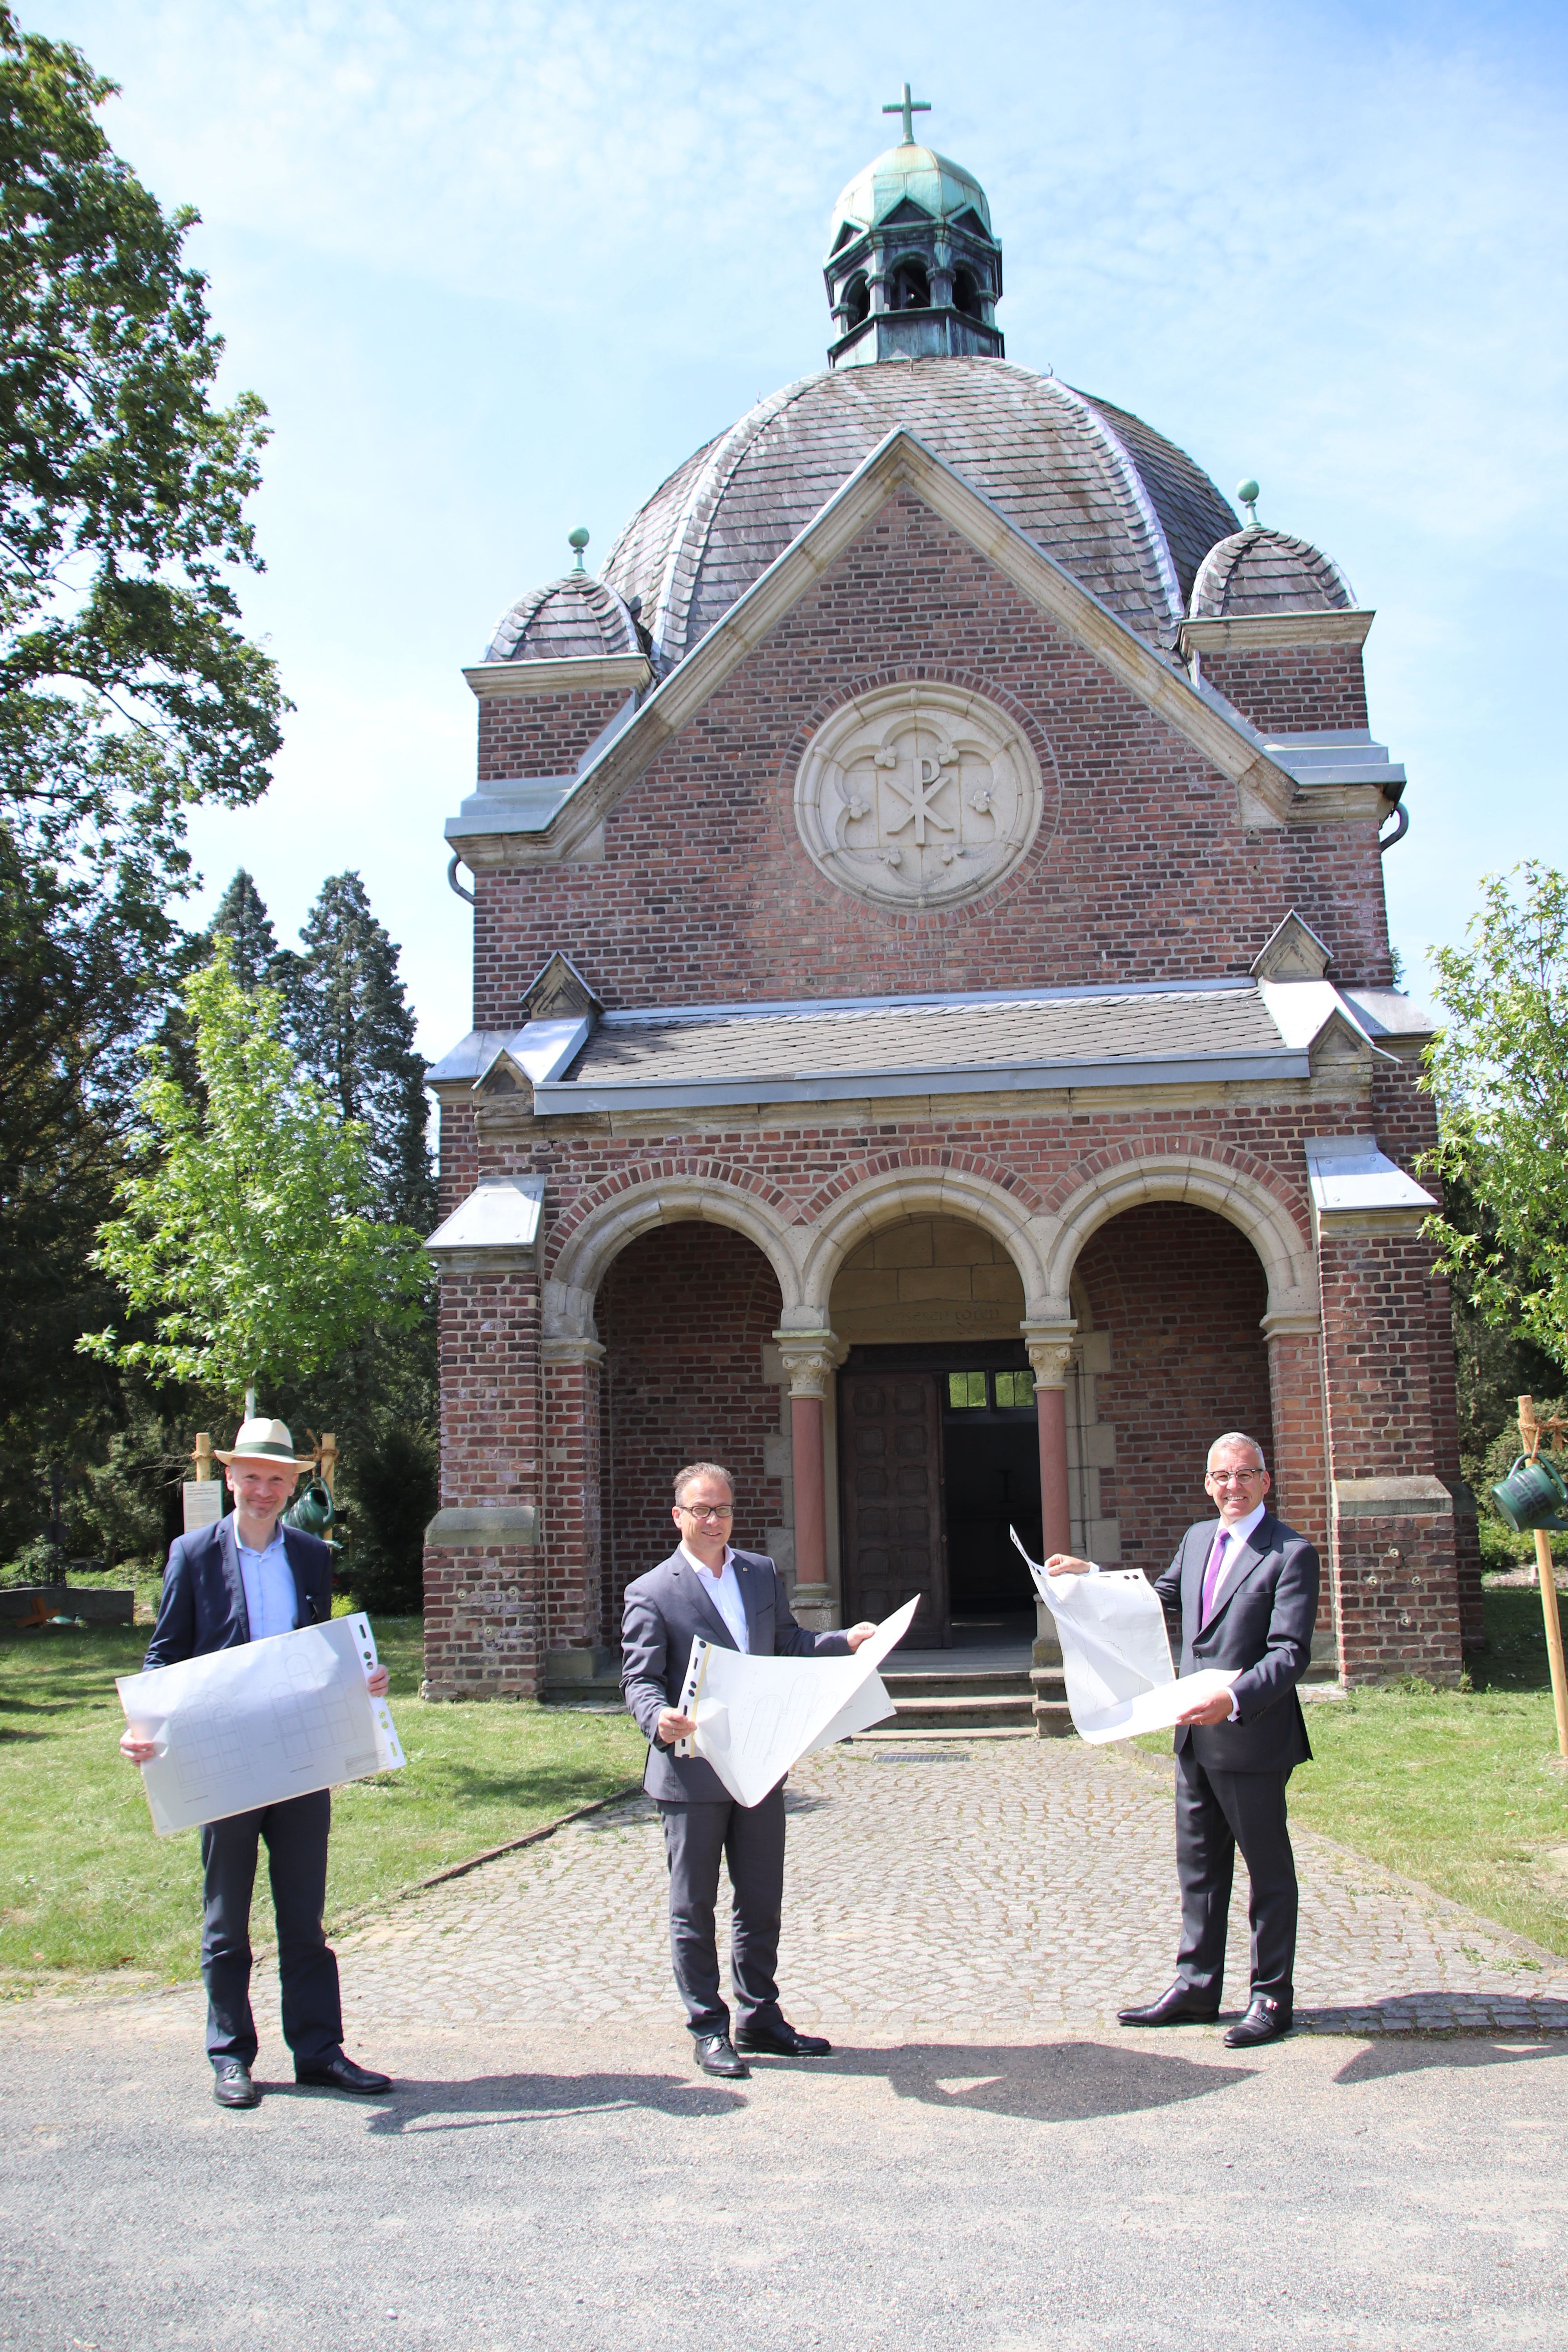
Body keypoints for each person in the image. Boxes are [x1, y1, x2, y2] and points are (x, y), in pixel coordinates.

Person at [120, 1418, 394, 2109]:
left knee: (304, 1917)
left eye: (278, 1479)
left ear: (293, 1484)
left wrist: (361, 1678)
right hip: (224, 1757)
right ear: (231, 1478)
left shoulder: (309, 1553)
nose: (265, 1490)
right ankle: (231, 2053)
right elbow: (163, 1658)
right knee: (226, 1917)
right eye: (253, 1477)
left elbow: (318, 1647)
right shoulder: (192, 1554)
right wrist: (141, 1729)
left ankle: (319, 2051)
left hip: (301, 1756)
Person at [1046, 1430, 1319, 2048]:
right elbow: (1162, 1597)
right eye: (1223, 1477)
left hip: (1250, 1735)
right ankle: (1196, 1989)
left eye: (1246, 1475)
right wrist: (1091, 1578)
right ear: (1208, 1484)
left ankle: (1271, 1998)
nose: (1234, 1487)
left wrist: (1236, 1698)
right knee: (1199, 1868)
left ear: (1265, 1482)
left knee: (1268, 1873)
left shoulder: (1291, 1554)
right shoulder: (1199, 1539)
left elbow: (1290, 1654)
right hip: (1193, 1735)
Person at [621, 1461, 878, 2080]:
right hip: (693, 1772)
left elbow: (786, 1643)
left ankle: (760, 2016)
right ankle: (708, 2027)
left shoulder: (758, 1574)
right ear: (678, 1517)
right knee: (695, 1905)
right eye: (702, 1511)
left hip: (760, 1763)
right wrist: (658, 1719)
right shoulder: (651, 1591)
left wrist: (846, 1641)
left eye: (724, 1510)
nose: (715, 1521)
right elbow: (639, 1678)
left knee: (760, 1898)